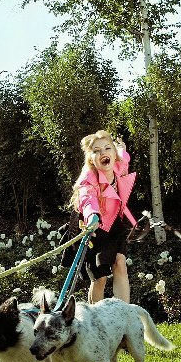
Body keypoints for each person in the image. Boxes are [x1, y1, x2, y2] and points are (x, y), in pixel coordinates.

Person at [69, 130, 138, 304]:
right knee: (100, 278)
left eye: (107, 148)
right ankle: (95, 317)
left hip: (114, 224)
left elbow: (124, 156)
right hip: (92, 227)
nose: (103, 153)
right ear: (91, 159)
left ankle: (124, 314)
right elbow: (87, 198)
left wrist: (122, 149)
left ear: (114, 154)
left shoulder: (119, 165)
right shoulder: (89, 178)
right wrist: (92, 215)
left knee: (120, 263)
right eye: (97, 151)